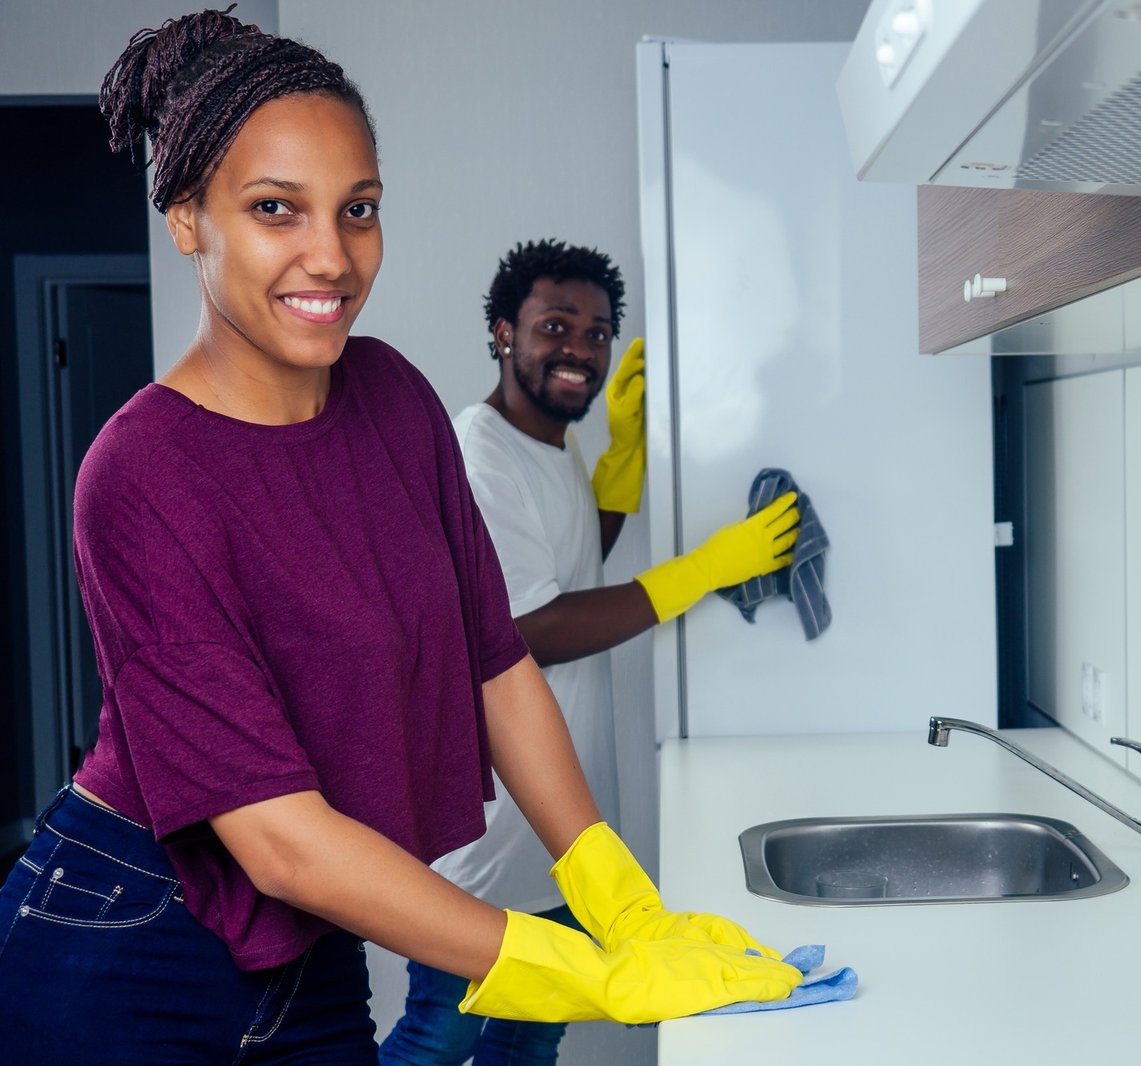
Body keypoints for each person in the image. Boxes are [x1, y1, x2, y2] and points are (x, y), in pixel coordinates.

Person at [0, 11, 802, 1064]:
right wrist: (581, 973)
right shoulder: (141, 475)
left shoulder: (390, 395)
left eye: (359, 208)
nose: (330, 256)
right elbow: (278, 840)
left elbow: (495, 656)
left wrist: (616, 896)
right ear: (188, 217)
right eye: (276, 209)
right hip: (124, 937)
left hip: (316, 932)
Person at [379, 241, 803, 1065]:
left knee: (529, 1049)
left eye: (598, 332)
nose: (580, 349)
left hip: (563, 846)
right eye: (555, 326)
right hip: (492, 844)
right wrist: (704, 570)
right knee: (432, 1041)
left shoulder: (548, 443)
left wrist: (614, 475)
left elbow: (562, 562)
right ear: (504, 334)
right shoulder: (480, 454)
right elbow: (530, 626)